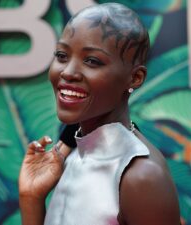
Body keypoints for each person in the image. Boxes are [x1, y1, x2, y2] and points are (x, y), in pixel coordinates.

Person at [18, 3, 181, 225]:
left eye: (92, 61)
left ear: (135, 78)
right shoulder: (72, 152)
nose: (68, 72)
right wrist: (31, 197)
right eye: (62, 55)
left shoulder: (141, 176)